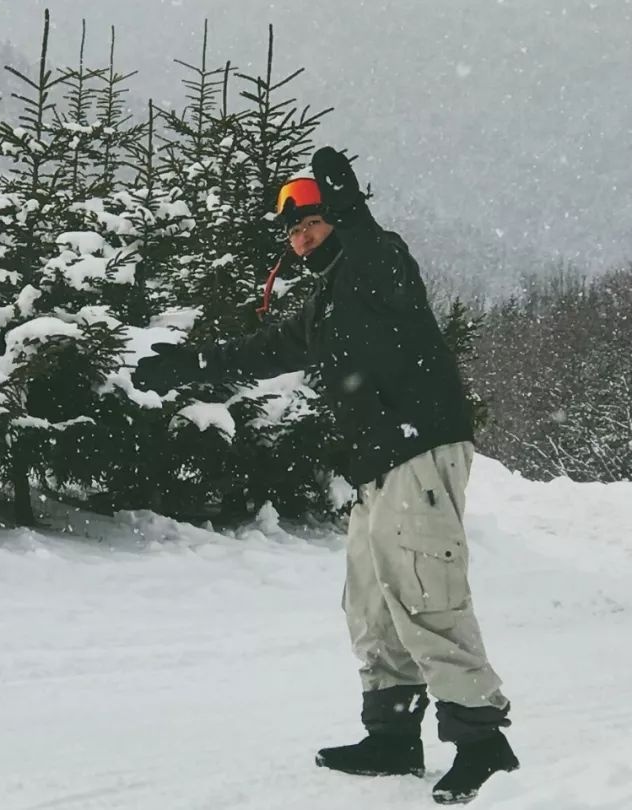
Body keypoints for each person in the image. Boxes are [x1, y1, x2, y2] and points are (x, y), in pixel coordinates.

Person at [133, 147, 518, 805]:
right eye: (294, 229)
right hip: (375, 464)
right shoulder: (328, 301)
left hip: (418, 446)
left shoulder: (377, 262)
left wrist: (355, 214)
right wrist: (190, 364)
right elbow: (265, 350)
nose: (303, 236)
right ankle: (392, 737)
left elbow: (383, 263)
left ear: (337, 218)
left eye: (312, 221)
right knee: (370, 602)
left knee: (426, 591)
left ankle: (481, 742)